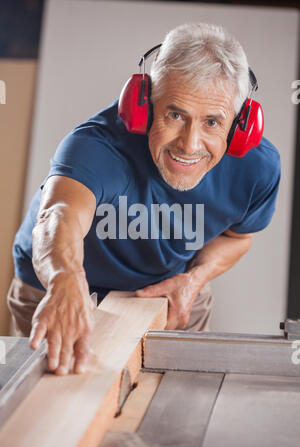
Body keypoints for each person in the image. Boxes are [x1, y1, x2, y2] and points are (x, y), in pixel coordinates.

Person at [7, 23, 280, 376]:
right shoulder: (98, 147)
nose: (189, 144)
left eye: (212, 122)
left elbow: (238, 238)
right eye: (175, 115)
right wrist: (62, 280)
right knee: (52, 405)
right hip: (60, 285)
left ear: (241, 125)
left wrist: (194, 280)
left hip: (170, 290)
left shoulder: (256, 168)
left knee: (182, 402)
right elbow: (59, 216)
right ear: (144, 106)